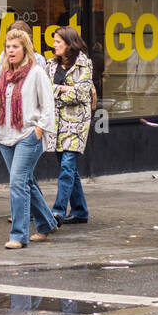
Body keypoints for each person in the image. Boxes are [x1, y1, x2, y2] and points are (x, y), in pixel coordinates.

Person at [0, 29, 58, 249]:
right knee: (25, 181)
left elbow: (48, 106)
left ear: (25, 49)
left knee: (17, 183)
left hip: (28, 134)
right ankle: (47, 223)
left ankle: (18, 235)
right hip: (4, 135)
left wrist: (39, 129)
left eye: (15, 47)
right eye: (8, 47)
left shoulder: (36, 73)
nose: (11, 51)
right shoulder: (1, 73)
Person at [46, 26, 94, 224]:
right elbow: (45, 90)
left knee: (67, 166)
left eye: (58, 42)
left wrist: (57, 91)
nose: (54, 45)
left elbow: (82, 93)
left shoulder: (84, 64)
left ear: (69, 44)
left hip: (76, 123)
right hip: (56, 123)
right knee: (69, 169)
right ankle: (80, 211)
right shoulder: (50, 65)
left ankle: (58, 211)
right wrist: (64, 89)